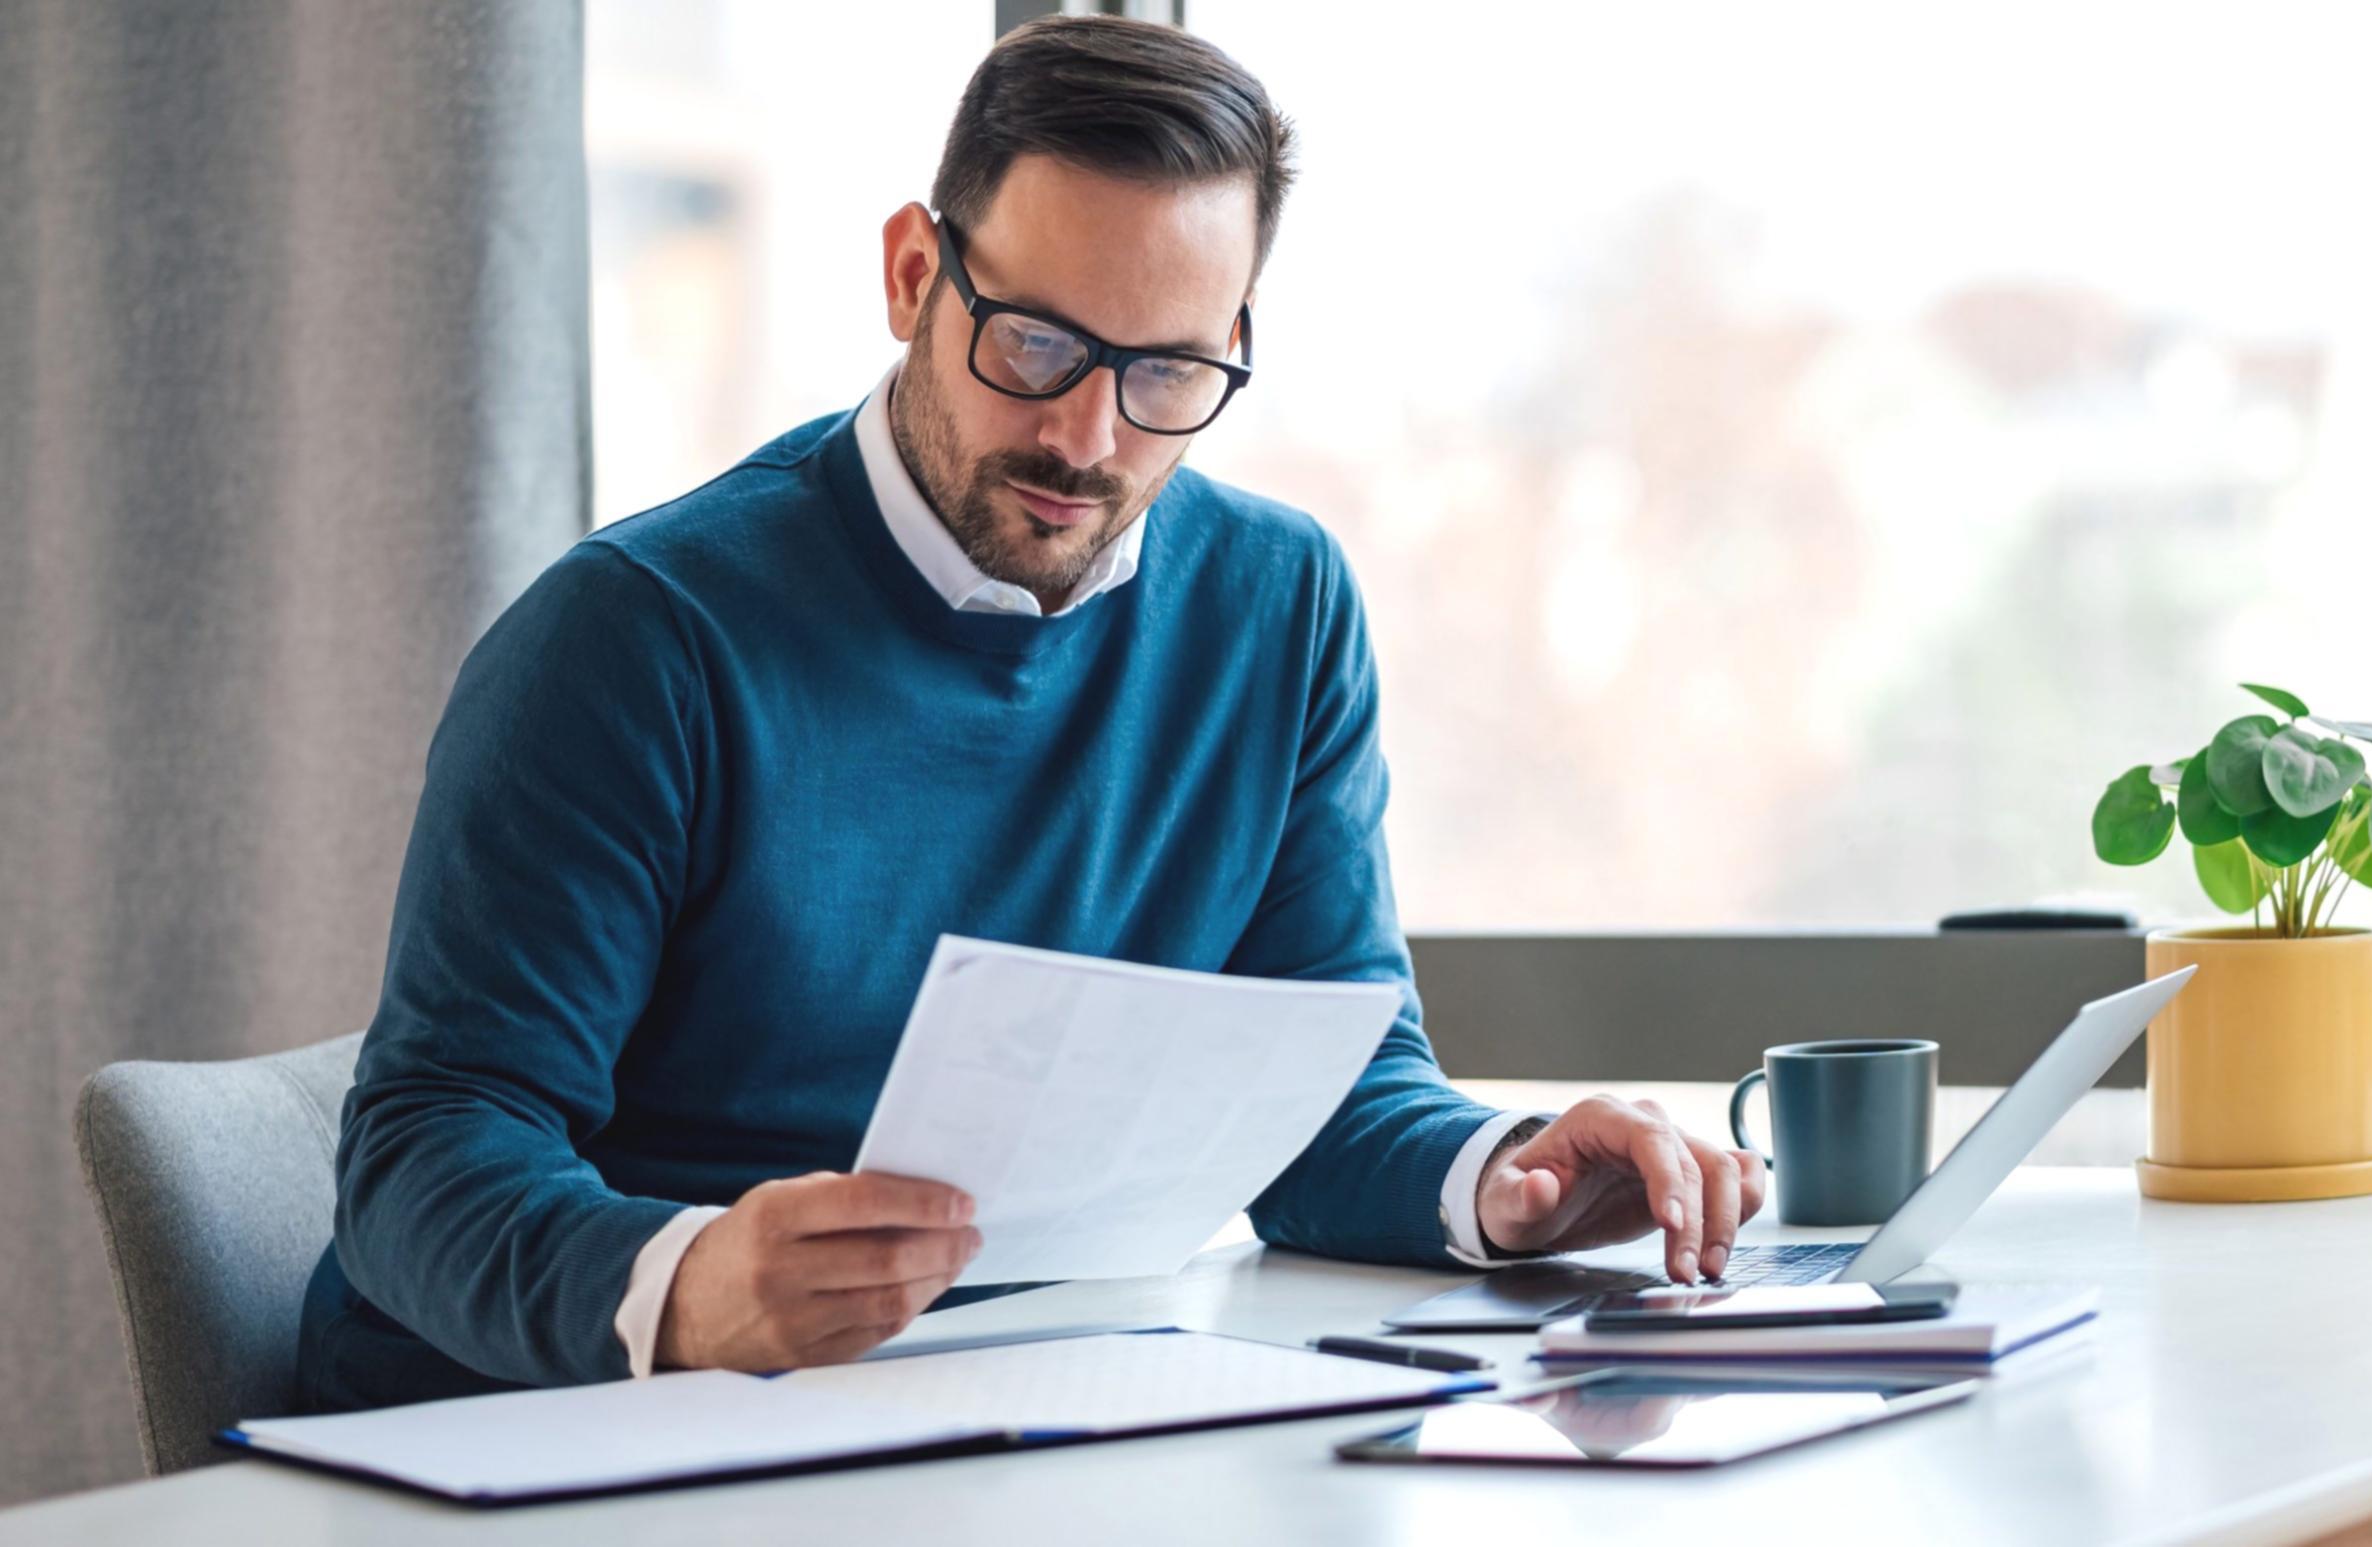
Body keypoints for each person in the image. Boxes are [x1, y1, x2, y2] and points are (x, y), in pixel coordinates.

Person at [297, 14, 1764, 1412]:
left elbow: (1327, 1093)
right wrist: (687, 1284)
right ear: (910, 274)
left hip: (991, 1406)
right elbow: (424, 1159)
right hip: (551, 1433)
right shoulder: (634, 640)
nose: (1088, 436)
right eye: (1039, 345)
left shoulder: (1280, 608)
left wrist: (1507, 1176)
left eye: (1168, 371)